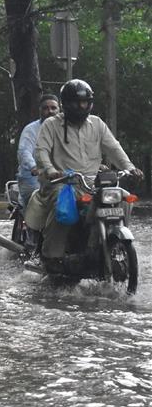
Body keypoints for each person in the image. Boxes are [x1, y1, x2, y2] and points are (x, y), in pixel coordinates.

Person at [24, 79, 144, 271]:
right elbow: (41, 151)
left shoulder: (97, 124)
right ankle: (51, 256)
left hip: (92, 183)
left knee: (122, 197)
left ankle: (110, 242)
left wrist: (130, 168)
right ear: (66, 104)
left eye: (85, 102)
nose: (82, 106)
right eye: (77, 103)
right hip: (63, 182)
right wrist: (51, 171)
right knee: (62, 203)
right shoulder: (51, 125)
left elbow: (114, 148)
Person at [16, 94, 60, 210]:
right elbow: (24, 152)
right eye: (46, 108)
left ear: (59, 109)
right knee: (37, 204)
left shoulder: (66, 129)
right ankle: (33, 228)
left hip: (60, 177)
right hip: (34, 178)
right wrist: (34, 167)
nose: (50, 111)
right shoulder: (31, 130)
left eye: (53, 108)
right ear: (40, 110)